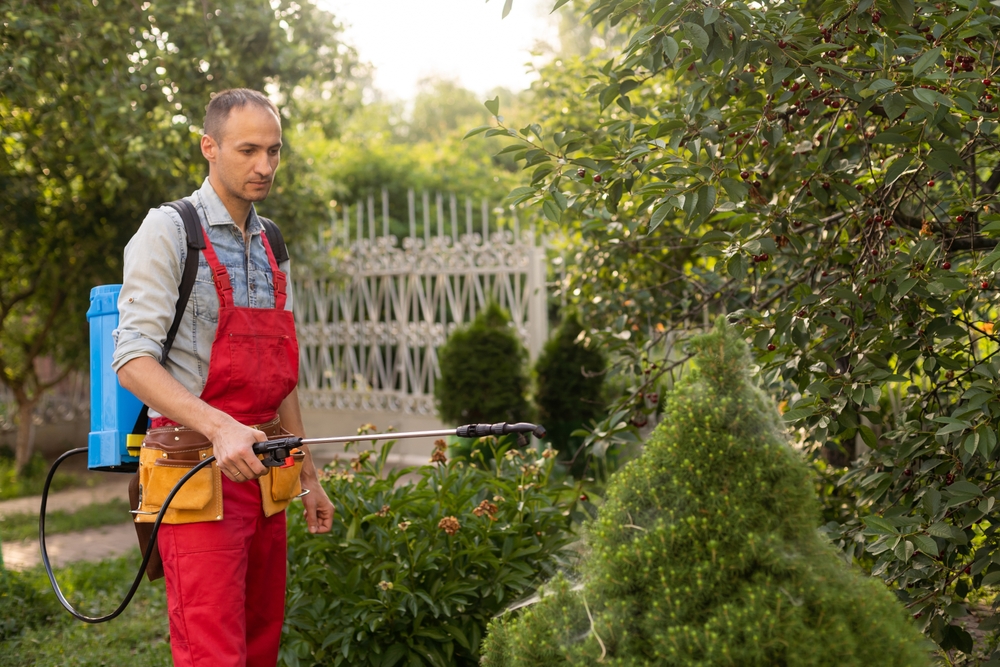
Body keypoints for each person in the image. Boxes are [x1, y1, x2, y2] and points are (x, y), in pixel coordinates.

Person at [112, 88, 335, 667]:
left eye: (274, 151)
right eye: (248, 150)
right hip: (195, 473)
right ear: (209, 147)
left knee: (261, 645)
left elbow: (280, 375)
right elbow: (132, 361)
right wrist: (220, 428)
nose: (265, 166)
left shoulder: (272, 242)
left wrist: (307, 475)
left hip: (266, 475)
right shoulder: (169, 230)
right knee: (213, 654)